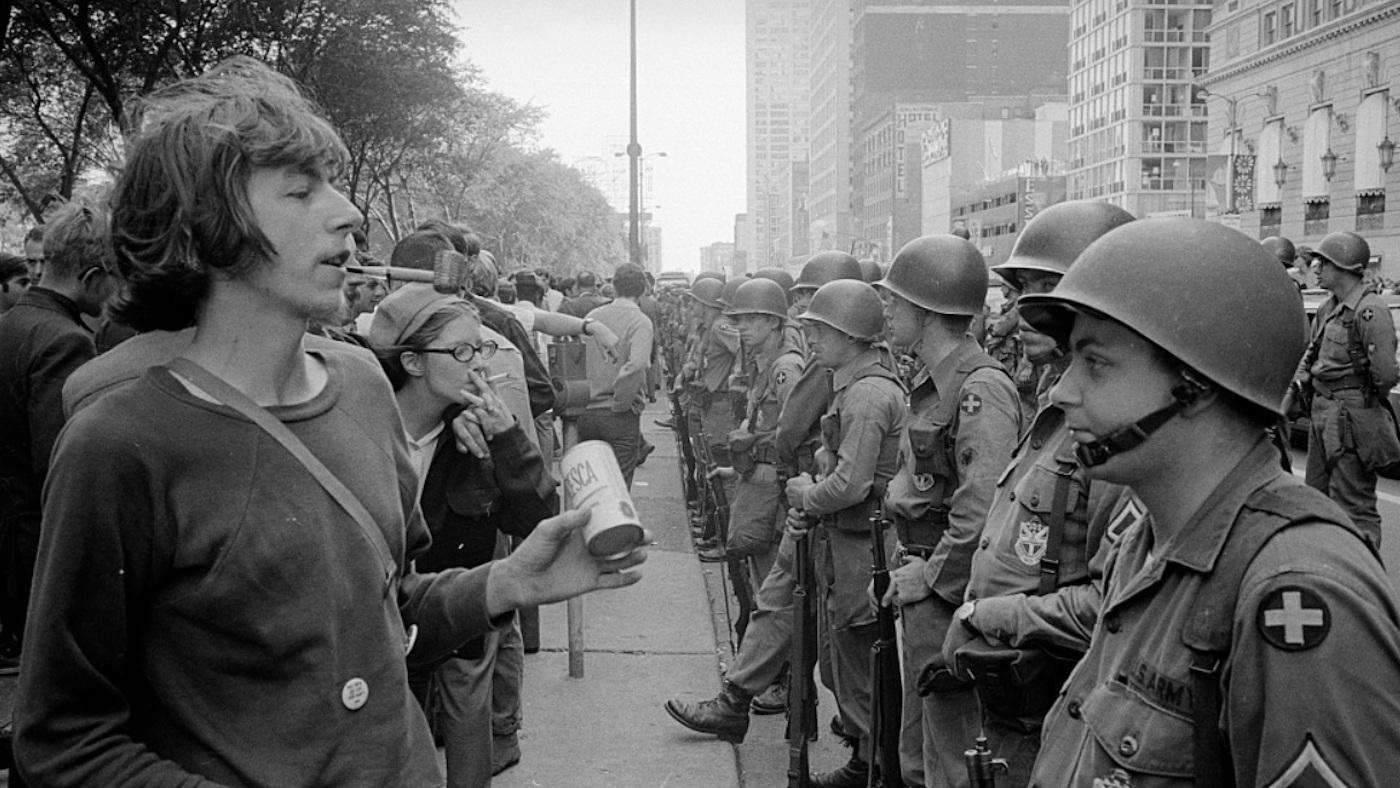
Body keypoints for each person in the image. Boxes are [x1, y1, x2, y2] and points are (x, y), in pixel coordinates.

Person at [13, 57, 646, 787]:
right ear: (207, 229)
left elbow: (382, 612)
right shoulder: (120, 443)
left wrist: (504, 584)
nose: (348, 213)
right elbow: (64, 742)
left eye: (335, 186)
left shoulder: (360, 384)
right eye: (300, 190)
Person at [1019, 218, 1400, 785]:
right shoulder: (1148, 540)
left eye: (1095, 363)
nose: (1061, 390)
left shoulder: (1295, 590)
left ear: (1194, 386)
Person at [938, 201, 1139, 784]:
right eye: (1023, 289)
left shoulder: (1117, 431)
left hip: (1062, 697)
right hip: (1019, 695)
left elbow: (1115, 604)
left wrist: (992, 613)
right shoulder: (1061, 407)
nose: (1027, 309)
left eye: (1048, 287)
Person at [662, 263, 867, 744]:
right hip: (802, 496)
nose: (804, 314)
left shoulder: (817, 368)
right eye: (803, 301)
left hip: (813, 501)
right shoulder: (819, 362)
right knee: (780, 602)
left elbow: (805, 438)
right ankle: (745, 700)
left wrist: (796, 485)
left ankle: (858, 740)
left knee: (839, 638)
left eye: (815, 303)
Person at [370, 286, 556, 788]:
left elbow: (537, 518)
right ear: (411, 362)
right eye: (461, 351)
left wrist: (508, 439)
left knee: (468, 733)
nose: (479, 364)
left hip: (461, 617)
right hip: (380, 622)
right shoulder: (360, 429)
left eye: (482, 348)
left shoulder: (477, 433)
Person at [874, 235, 1022, 788]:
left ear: (928, 310)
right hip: (921, 575)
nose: (887, 310)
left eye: (897, 301)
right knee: (917, 753)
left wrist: (931, 576)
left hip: (947, 591)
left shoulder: (980, 387)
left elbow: (982, 506)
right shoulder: (933, 383)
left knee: (953, 759)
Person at [786, 279, 906, 787]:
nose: (812, 338)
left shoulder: (867, 395)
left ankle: (872, 765)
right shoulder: (853, 387)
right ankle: (867, 754)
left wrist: (806, 497)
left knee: (860, 659)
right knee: (844, 661)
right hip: (847, 542)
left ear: (853, 336)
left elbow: (852, 484)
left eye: (822, 329)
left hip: (864, 545)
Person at [0, 203, 118, 675]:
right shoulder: (65, 340)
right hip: (33, 546)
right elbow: (59, 464)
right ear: (91, 278)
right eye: (113, 279)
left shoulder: (12, 324)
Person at [1291, 230, 1397, 550]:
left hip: (1350, 414)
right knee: (1317, 497)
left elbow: (1386, 374)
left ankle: (1362, 579)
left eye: (1323, 262)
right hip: (1323, 410)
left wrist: (1359, 399)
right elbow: (1311, 353)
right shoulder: (1327, 308)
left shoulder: (1370, 310)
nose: (1317, 269)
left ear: (1345, 267)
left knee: (1353, 503)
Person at [577, 263, 654, 487]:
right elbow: (637, 365)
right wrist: (621, 403)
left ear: (614, 287)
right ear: (644, 290)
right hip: (618, 415)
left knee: (593, 487)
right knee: (618, 489)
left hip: (587, 411)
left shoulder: (593, 317)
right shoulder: (640, 322)